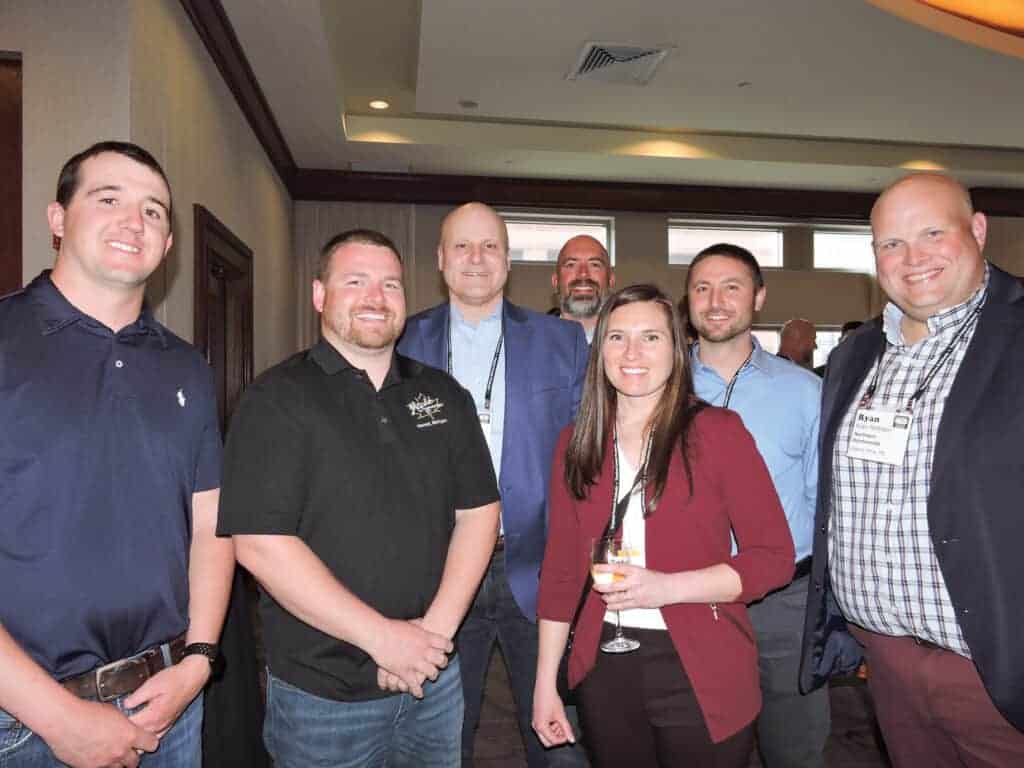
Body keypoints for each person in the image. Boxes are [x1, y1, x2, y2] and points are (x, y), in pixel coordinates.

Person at [217, 229, 500, 767]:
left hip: (434, 682)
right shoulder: (275, 400)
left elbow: (480, 515)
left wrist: (430, 640)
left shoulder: (443, 395)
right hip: (322, 697)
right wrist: (385, 641)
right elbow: (259, 545)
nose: (376, 296)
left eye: (390, 284)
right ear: (320, 295)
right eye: (356, 281)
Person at [0, 141, 235, 767]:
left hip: (168, 706)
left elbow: (212, 523)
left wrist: (200, 661)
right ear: (57, 218)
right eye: (110, 199)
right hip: (22, 722)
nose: (135, 221)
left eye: (155, 212)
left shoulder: (187, 367)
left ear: (167, 247)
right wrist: (60, 718)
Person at [800, 173, 1024, 766]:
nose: (912, 258)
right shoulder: (856, 355)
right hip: (888, 664)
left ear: (977, 231)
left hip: (997, 671)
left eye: (932, 233)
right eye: (891, 244)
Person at [533, 284, 795, 767]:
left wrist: (667, 588)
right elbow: (560, 574)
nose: (632, 353)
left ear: (677, 350)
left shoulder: (718, 432)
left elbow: (774, 559)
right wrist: (545, 683)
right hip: (603, 668)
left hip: (700, 663)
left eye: (651, 338)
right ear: (599, 350)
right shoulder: (576, 442)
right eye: (617, 338)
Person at [399, 203, 589, 767]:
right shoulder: (402, 340)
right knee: (440, 738)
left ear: (508, 261)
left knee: (558, 737)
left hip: (536, 568)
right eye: (462, 247)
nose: (476, 259)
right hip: (437, 570)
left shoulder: (562, 342)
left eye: (489, 247)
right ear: (440, 260)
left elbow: (584, 457)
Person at [686, 243, 829, 768]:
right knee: (698, 747)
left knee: (795, 748)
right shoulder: (657, 386)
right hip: (685, 601)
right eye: (702, 287)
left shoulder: (804, 392)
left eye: (732, 287)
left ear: (759, 298)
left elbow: (822, 504)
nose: (715, 300)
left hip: (782, 606)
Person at [552, 235, 615, 342]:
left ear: (611, 281)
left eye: (594, 265)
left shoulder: (630, 348)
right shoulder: (532, 345)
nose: (583, 274)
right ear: (555, 282)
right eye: (571, 265)